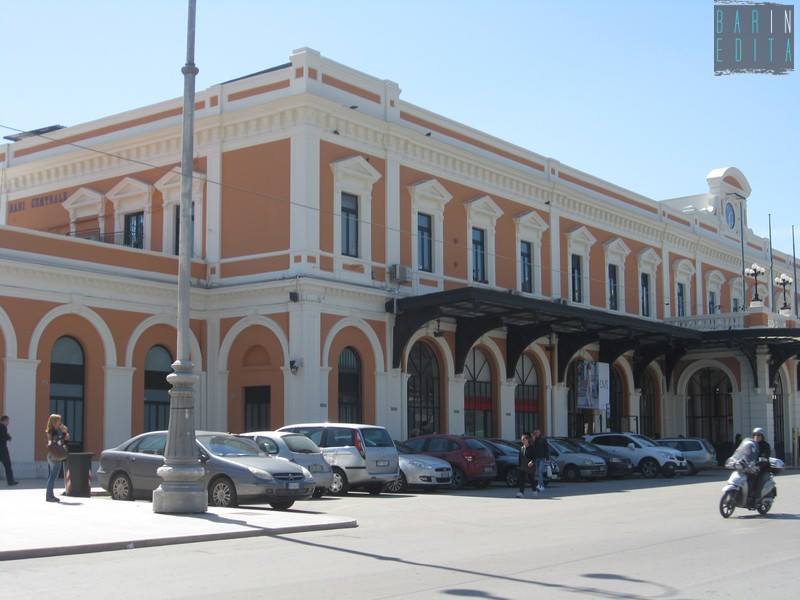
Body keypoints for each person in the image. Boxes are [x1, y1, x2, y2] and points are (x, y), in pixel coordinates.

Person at [45, 414, 69, 503]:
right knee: (53, 477)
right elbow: (56, 443)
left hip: (53, 455)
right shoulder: (52, 431)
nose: (60, 422)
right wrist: (64, 434)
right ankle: (49, 496)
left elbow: (60, 442)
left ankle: (50, 495)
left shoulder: (54, 430)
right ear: (54, 421)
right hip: (55, 456)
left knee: (52, 476)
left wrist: (64, 435)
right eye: (59, 420)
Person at [748, 427, 771, 506]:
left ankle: (756, 498)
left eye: (759, 435)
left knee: (757, 480)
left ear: (762, 436)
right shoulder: (751, 445)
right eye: (755, 435)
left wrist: (761, 460)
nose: (756, 437)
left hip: (762, 468)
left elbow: (764, 456)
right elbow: (745, 453)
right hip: (751, 466)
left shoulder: (765, 445)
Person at [0, 415, 19, 486]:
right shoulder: (3, 427)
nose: (8, 422)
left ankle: (11, 481)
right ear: (4, 420)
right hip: (3, 450)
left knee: (7, 466)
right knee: (8, 465)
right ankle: (10, 481)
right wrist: (8, 437)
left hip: (2, 449)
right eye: (7, 421)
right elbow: (3, 437)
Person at [516, 433, 536, 498]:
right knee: (522, 480)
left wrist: (532, 462)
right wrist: (519, 465)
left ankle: (534, 490)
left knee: (531, 479)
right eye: (522, 439)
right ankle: (521, 492)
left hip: (530, 466)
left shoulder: (531, 448)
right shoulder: (521, 448)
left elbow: (535, 457)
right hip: (522, 466)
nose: (523, 440)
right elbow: (520, 457)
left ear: (527, 440)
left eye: (524, 439)